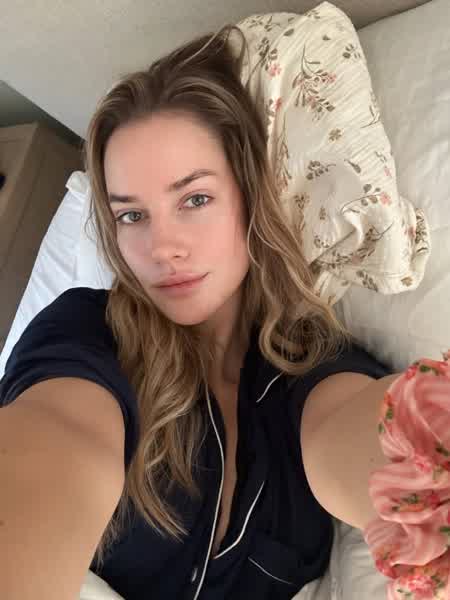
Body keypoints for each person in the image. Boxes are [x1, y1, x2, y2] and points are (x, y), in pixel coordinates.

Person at [0, 24, 399, 600]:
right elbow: (50, 445)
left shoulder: (312, 365)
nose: (162, 248)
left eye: (194, 199)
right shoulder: (87, 334)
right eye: (131, 215)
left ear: (250, 199)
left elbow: (372, 440)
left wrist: (422, 472)